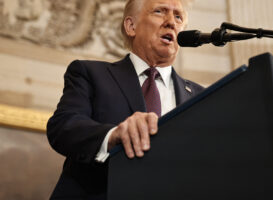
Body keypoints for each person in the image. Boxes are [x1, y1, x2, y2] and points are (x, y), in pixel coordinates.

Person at [46, 0, 204, 199]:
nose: (171, 22)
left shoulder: (199, 96)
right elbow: (63, 126)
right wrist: (113, 136)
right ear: (131, 26)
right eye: (159, 11)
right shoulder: (90, 73)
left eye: (178, 16)